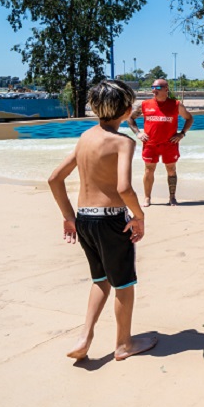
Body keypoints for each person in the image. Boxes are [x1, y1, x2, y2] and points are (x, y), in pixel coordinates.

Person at [48, 80, 157, 361]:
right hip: (110, 221)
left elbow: (54, 178)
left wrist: (69, 217)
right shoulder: (123, 142)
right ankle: (123, 344)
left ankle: (85, 337)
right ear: (127, 110)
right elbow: (123, 188)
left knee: (100, 279)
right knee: (123, 283)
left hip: (84, 219)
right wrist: (139, 216)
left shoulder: (85, 137)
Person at [127, 78, 194, 207]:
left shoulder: (176, 105)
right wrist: (138, 133)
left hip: (170, 144)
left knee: (171, 169)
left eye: (157, 88)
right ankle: (147, 198)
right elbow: (130, 118)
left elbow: (189, 118)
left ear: (166, 89)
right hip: (150, 144)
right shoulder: (145, 104)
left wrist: (182, 133)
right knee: (149, 170)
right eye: (152, 87)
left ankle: (172, 197)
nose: (154, 90)